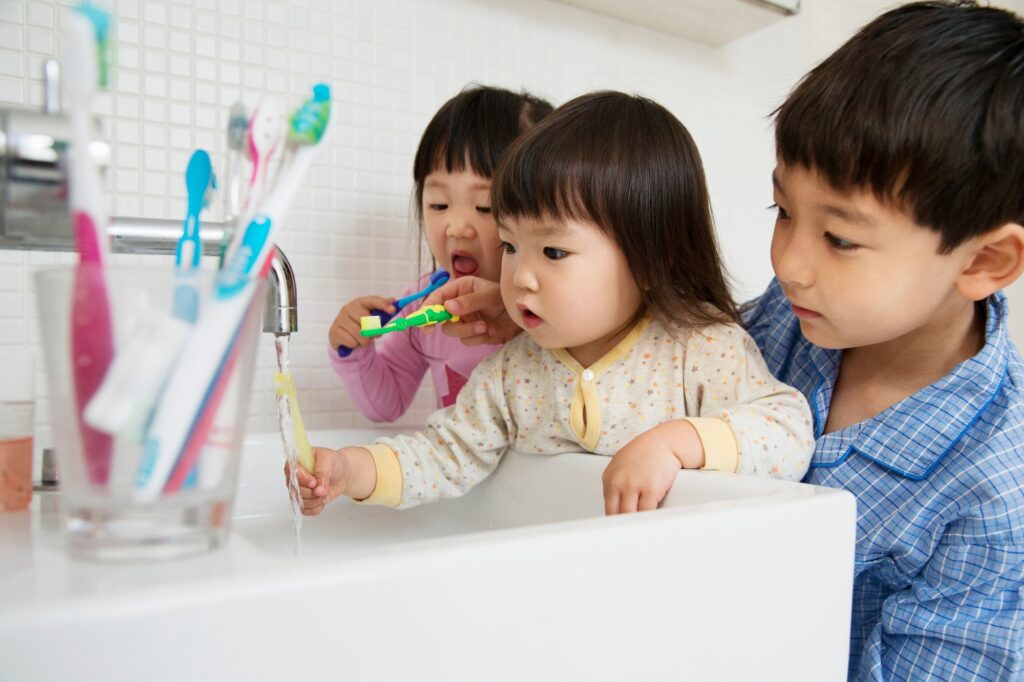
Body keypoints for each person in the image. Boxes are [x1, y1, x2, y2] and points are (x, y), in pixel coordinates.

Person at [425, 3, 1024, 679]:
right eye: (783, 211)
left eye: (839, 239)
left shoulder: (996, 493)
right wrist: (542, 317)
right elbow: (659, 345)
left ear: (984, 263)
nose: (789, 262)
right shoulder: (777, 323)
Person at [295, 91, 814, 516]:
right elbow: (442, 453)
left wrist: (675, 443)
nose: (520, 276)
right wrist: (351, 471)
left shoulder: (701, 348)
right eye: (510, 245)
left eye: (554, 251)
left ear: (652, 259)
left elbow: (787, 431)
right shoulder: (512, 374)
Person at [327, 85, 553, 421]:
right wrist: (355, 351)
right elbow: (387, 406)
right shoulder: (425, 305)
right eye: (439, 204)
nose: (456, 227)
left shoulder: (554, 300)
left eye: (484, 206)